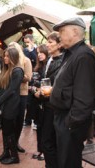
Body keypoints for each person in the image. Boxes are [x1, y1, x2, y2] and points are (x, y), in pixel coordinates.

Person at [50, 17, 95, 168]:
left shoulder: (83, 55)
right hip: (63, 118)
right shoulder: (71, 53)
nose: (59, 35)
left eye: (62, 31)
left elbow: (85, 98)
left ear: (76, 32)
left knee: (69, 163)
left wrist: (69, 124)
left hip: (70, 123)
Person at [33, 32, 64, 167]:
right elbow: (46, 81)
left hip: (55, 107)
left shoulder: (63, 61)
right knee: (47, 141)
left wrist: (41, 93)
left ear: (59, 44)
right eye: (47, 41)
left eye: (50, 42)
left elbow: (59, 86)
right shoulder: (50, 60)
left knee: (48, 142)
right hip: (46, 106)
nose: (47, 44)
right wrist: (38, 88)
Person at [0, 47, 24, 165]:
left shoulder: (18, 70)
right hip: (5, 104)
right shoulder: (6, 69)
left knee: (9, 131)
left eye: (7, 56)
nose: (5, 58)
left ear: (13, 57)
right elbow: (3, 87)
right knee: (5, 130)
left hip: (11, 105)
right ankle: (6, 152)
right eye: (4, 56)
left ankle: (14, 157)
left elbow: (12, 90)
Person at [8, 42, 32, 153]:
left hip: (21, 93)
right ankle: (10, 143)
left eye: (13, 49)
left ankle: (16, 142)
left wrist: (18, 75)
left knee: (19, 119)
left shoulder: (25, 61)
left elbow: (28, 77)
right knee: (10, 120)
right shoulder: (8, 61)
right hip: (10, 93)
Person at [30, 44, 48, 161]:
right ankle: (40, 150)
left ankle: (45, 152)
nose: (39, 54)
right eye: (38, 52)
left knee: (45, 128)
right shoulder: (37, 67)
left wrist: (39, 90)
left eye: (41, 52)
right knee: (39, 128)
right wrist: (33, 89)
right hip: (36, 101)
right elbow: (32, 84)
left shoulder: (49, 67)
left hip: (45, 102)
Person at [23, 33, 38, 127]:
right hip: (27, 75)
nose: (26, 43)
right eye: (26, 42)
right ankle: (27, 120)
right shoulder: (25, 50)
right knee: (28, 100)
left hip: (36, 75)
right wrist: (28, 50)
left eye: (27, 41)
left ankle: (36, 120)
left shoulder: (37, 49)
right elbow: (25, 59)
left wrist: (31, 50)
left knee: (35, 100)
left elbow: (35, 59)